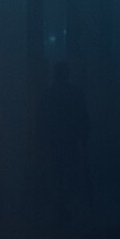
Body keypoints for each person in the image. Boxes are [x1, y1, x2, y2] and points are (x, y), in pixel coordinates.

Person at [36, 61, 90, 227]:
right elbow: (83, 118)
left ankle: (59, 205)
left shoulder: (48, 95)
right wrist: (84, 140)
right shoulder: (76, 94)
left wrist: (42, 139)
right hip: (71, 140)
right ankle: (65, 204)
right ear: (67, 74)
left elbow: (41, 119)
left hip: (55, 141)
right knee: (70, 172)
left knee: (57, 172)